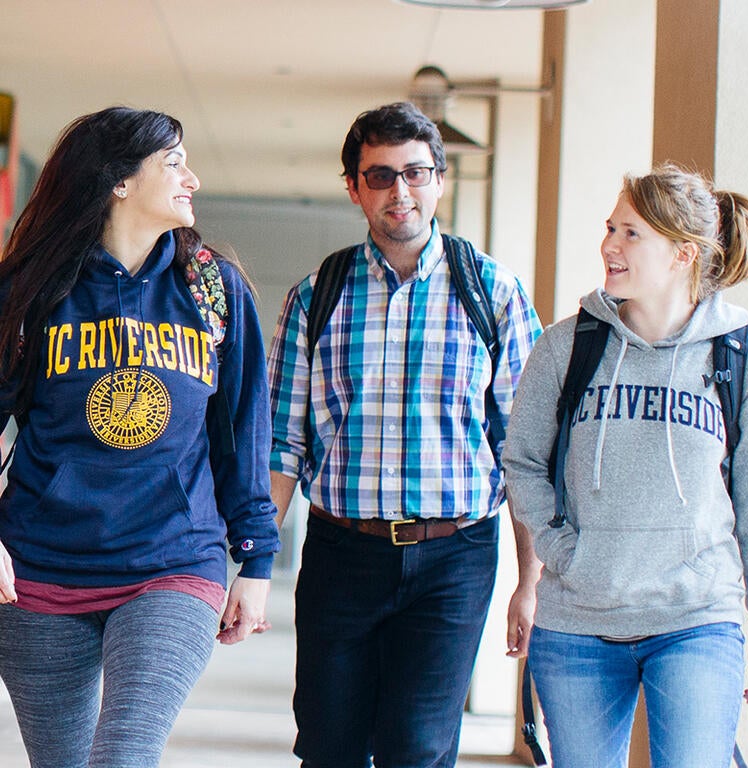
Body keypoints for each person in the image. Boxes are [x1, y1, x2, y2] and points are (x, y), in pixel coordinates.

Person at [0, 106, 279, 767]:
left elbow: (243, 432)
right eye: (174, 163)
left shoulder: (213, 288)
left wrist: (257, 560)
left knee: (124, 753)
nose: (194, 179)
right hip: (41, 569)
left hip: (172, 561)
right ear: (119, 181)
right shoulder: (30, 290)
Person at [268, 100, 542, 768]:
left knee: (416, 749)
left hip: (454, 556)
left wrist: (530, 582)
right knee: (329, 746)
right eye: (381, 175)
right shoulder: (316, 296)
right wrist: (249, 567)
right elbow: (282, 446)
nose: (401, 191)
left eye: (416, 173)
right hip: (342, 552)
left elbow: (526, 451)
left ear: (440, 181)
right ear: (355, 188)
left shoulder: (494, 293)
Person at [503, 163, 748, 768]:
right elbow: (521, 461)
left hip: (697, 618)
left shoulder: (740, 358)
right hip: (578, 625)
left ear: (682, 253)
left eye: (630, 234)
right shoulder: (565, 348)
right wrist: (562, 549)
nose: (609, 246)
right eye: (610, 228)